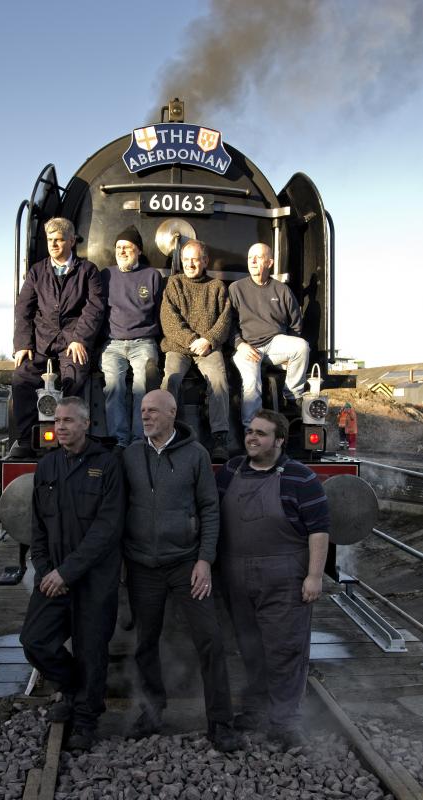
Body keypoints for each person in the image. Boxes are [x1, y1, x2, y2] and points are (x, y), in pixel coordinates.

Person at [122, 389, 240, 752]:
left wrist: (205, 559)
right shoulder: (129, 455)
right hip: (143, 565)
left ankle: (220, 722)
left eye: (153, 411)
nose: (145, 416)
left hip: (186, 564)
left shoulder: (196, 455)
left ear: (173, 414)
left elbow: (209, 509)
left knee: (210, 640)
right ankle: (152, 711)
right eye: (142, 411)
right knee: (144, 643)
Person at [216, 409, 330, 749]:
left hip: (283, 577)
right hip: (236, 576)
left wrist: (314, 576)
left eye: (261, 434)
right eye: (250, 431)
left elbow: (319, 531)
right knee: (251, 648)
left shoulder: (302, 478)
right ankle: (254, 709)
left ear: (279, 441)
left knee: (285, 651)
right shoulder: (230, 471)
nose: (252, 437)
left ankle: (285, 723)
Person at [20, 397, 124, 751]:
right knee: (35, 641)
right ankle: (73, 688)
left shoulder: (107, 465)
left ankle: (85, 720)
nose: (60, 427)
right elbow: (38, 528)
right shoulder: (47, 467)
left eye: (68, 421)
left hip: (93, 578)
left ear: (86, 424)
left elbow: (107, 529)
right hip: (55, 577)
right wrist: (46, 570)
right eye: (57, 421)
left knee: (91, 650)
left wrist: (67, 572)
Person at [11, 217, 105, 458]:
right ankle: (25, 439)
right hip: (41, 342)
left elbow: (94, 307)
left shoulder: (88, 271)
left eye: (59, 240)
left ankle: (69, 441)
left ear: (72, 241)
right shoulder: (36, 272)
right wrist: (23, 344)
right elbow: (24, 309)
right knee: (22, 378)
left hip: (72, 342)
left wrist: (80, 338)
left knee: (73, 380)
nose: (53, 244)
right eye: (50, 240)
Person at [160, 239, 231, 461]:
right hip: (179, 347)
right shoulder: (174, 283)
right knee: (170, 380)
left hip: (208, 348)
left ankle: (220, 439)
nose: (190, 264)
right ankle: (164, 434)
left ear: (205, 261)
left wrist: (209, 339)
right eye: (186, 260)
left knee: (219, 380)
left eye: (195, 259)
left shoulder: (217, 286)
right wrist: (193, 340)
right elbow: (169, 319)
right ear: (181, 261)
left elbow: (225, 319)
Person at [229, 243, 309, 430]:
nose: (253, 261)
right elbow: (228, 324)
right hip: (247, 347)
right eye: (250, 258)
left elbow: (296, 325)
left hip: (274, 344)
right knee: (251, 383)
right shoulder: (236, 289)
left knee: (301, 346)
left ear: (270, 262)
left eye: (258, 257)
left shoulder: (282, 290)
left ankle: (292, 397)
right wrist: (240, 344)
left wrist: (289, 357)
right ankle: (252, 429)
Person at [100, 226, 162, 450]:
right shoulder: (106, 275)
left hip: (143, 342)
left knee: (142, 387)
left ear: (138, 251)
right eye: (118, 247)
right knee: (113, 386)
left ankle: (139, 440)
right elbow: (98, 312)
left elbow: (159, 313)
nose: (122, 251)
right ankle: (118, 440)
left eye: (127, 247)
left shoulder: (152, 276)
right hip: (113, 343)